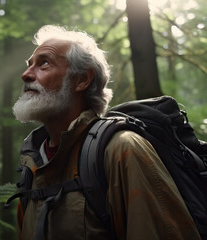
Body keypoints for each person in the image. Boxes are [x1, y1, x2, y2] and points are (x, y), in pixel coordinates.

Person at [12, 25, 200, 240]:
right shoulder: (32, 166)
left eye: (44, 63)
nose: (25, 74)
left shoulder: (122, 148)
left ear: (82, 79)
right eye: (29, 65)